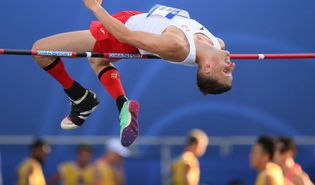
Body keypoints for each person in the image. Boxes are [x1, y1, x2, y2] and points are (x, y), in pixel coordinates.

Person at [31, 0, 235, 147]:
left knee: (40, 50)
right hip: (134, 18)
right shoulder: (217, 43)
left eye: (226, 71)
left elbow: (124, 36)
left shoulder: (176, 45)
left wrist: (94, 7)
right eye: (231, 70)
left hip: (122, 34)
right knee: (98, 60)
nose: (232, 65)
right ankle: (111, 104)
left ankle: (80, 97)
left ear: (207, 68)